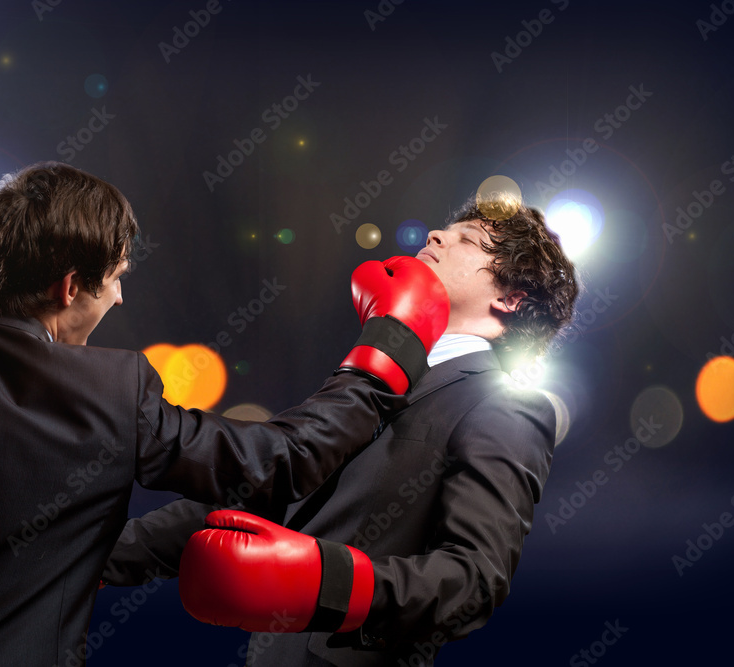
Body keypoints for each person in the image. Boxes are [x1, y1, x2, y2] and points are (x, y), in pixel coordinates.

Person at [0, 162, 449, 665]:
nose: (121, 294)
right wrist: (390, 347)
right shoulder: (113, 387)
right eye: (116, 277)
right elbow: (283, 461)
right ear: (69, 287)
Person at [102, 193, 580, 666]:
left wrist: (328, 583)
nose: (436, 235)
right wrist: (88, 558)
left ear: (510, 298)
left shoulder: (505, 405)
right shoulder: (378, 372)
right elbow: (263, 488)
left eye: (468, 241)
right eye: (445, 229)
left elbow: (474, 580)